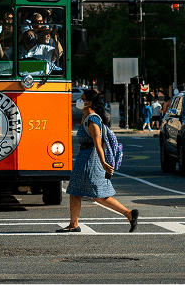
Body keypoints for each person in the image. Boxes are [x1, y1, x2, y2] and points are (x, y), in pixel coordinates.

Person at [58, 88, 138, 234]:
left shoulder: (93, 119)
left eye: (82, 98)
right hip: (85, 158)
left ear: (89, 103)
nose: (79, 100)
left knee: (96, 194)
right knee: (85, 193)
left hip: (90, 160)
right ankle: (74, 224)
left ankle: (128, 213)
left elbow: (98, 143)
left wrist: (103, 163)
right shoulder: (87, 118)